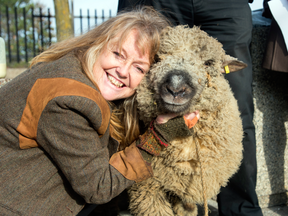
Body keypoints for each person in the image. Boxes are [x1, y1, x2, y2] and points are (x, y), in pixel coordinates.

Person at [0, 7, 199, 216]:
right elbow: (98, 188)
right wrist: (159, 135)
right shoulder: (70, 103)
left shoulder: (72, 67)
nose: (122, 71)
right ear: (99, 44)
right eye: (118, 55)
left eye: (139, 68)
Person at [118, 1, 263, 216]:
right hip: (159, 2)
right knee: (140, 92)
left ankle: (240, 209)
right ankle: (138, 194)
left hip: (225, 5)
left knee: (236, 105)